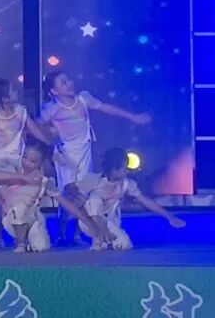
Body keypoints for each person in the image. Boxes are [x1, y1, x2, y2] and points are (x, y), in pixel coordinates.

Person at [39, 70, 150, 242]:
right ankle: (63, 233)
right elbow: (36, 127)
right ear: (53, 91)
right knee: (70, 192)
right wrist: (49, 141)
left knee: (83, 191)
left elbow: (107, 108)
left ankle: (78, 233)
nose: (69, 84)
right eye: (63, 82)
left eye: (68, 80)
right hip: (65, 155)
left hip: (84, 153)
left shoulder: (83, 99)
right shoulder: (51, 109)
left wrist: (133, 117)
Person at [71, 147, 186, 251]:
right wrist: (80, 198)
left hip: (109, 222)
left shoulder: (127, 184)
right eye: (124, 168)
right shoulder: (94, 180)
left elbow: (145, 201)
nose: (127, 171)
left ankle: (103, 242)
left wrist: (169, 217)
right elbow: (70, 189)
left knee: (124, 244)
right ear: (114, 171)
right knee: (94, 200)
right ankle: (99, 237)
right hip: (89, 222)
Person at [0, 139, 100, 252]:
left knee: (41, 247)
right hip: (13, 217)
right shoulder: (11, 172)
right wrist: (4, 205)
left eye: (33, 161)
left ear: (41, 163)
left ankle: (29, 242)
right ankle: (20, 243)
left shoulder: (45, 181)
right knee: (19, 208)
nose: (26, 163)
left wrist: (88, 222)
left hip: (33, 218)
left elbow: (66, 203)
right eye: (25, 157)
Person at [0, 78, 46, 245]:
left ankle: (22, 231)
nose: (17, 92)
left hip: (19, 160)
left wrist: (48, 146)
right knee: (2, 198)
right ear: (5, 98)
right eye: (13, 90)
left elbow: (34, 131)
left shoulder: (21, 111)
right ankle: (0, 236)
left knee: (19, 195)